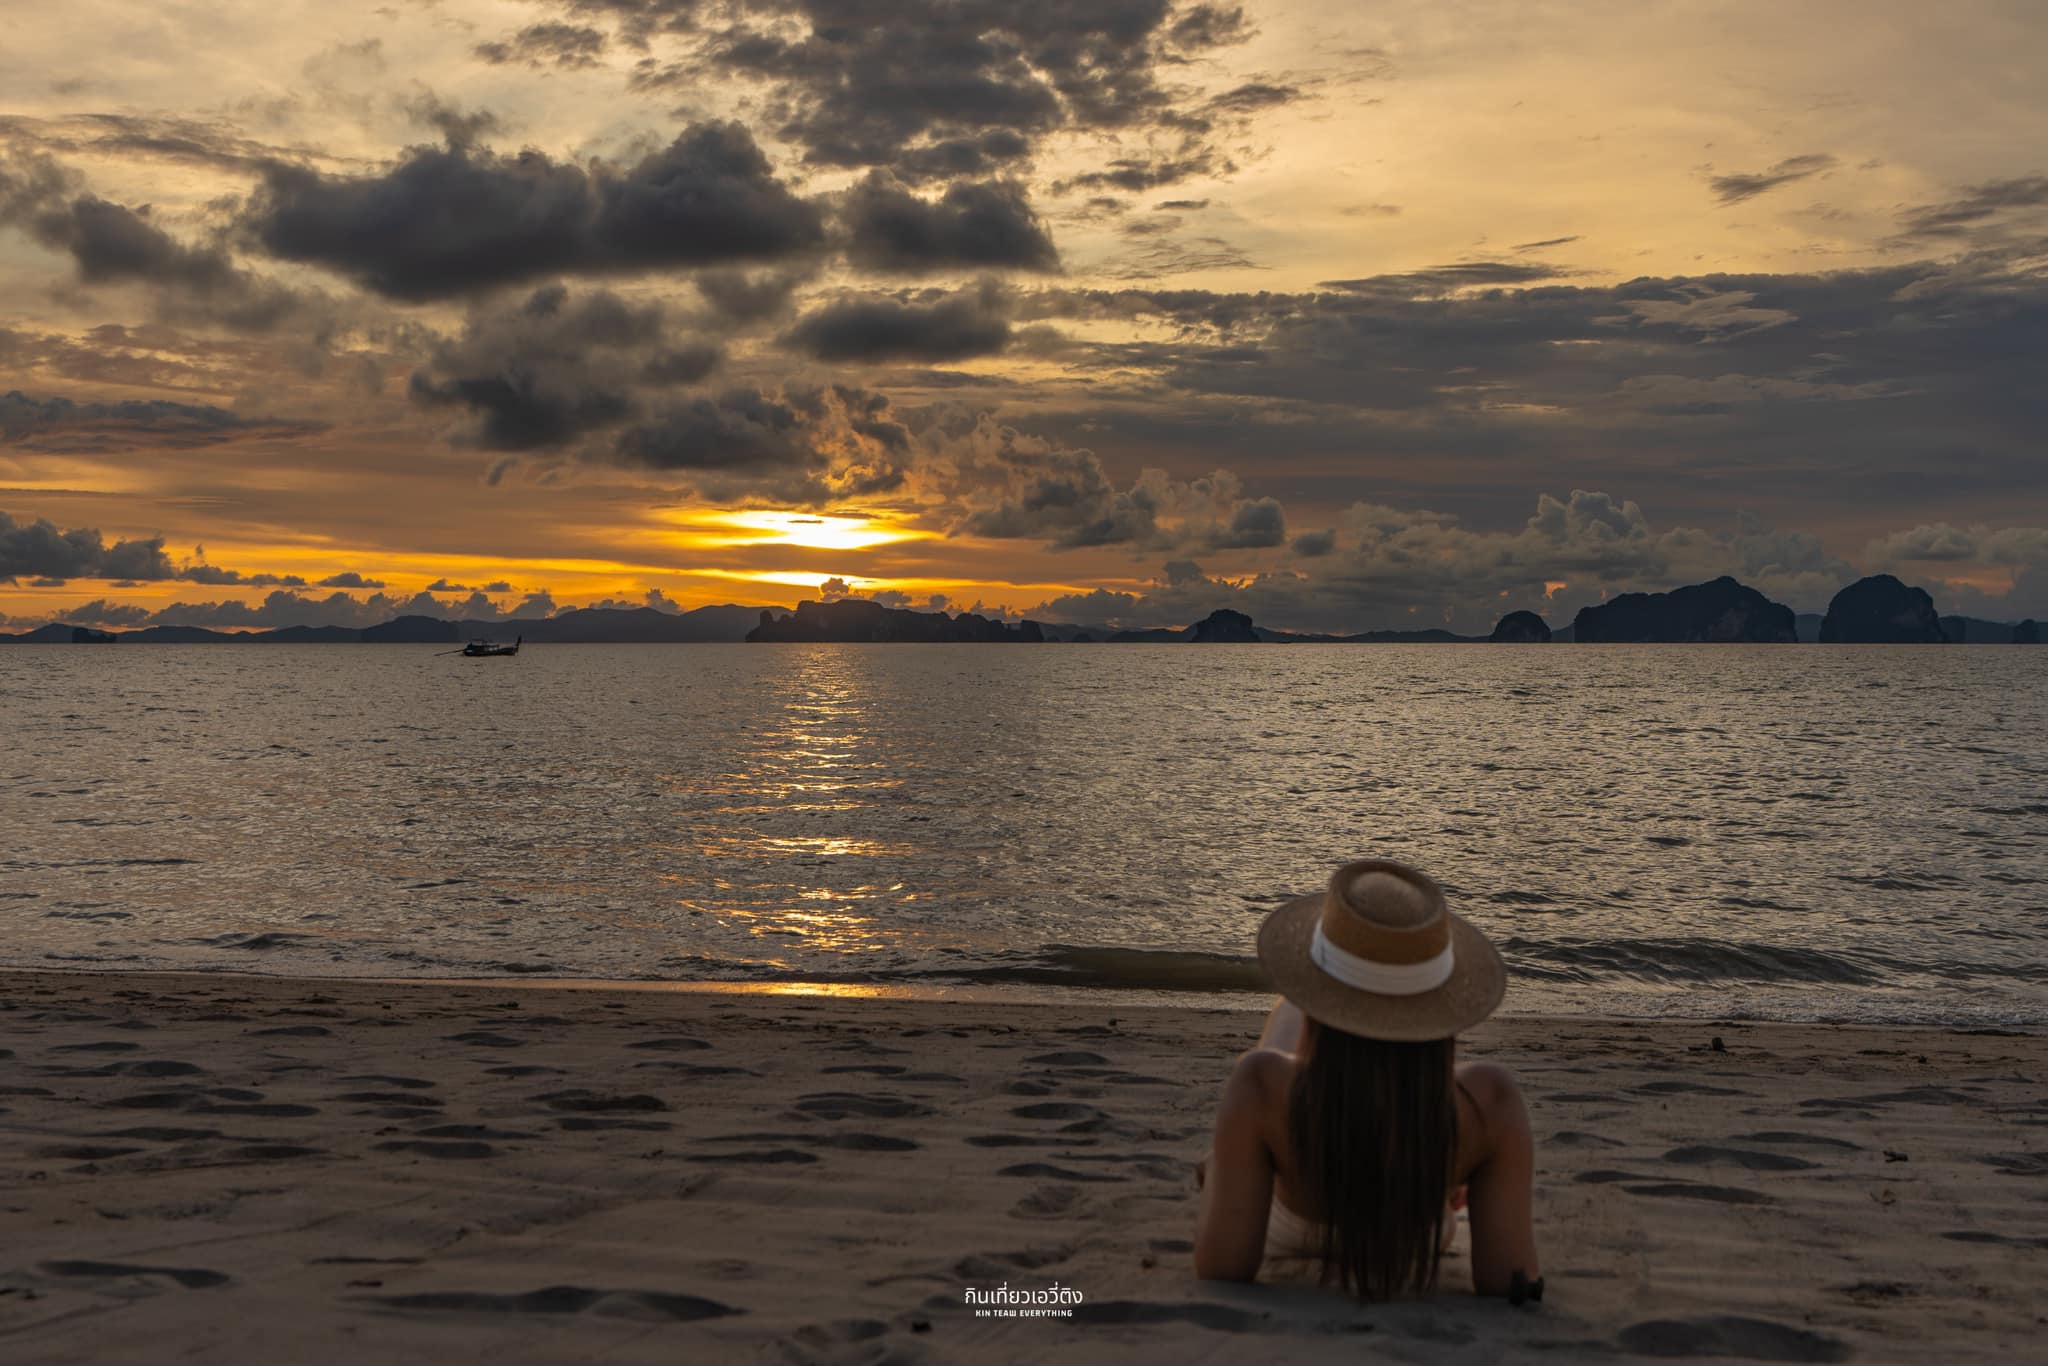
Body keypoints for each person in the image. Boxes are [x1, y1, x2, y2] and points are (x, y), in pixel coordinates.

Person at [1194, 858, 1539, 1300]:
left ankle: (1223, 1160)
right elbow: (1509, 1277)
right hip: (1415, 1238)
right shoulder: (1491, 1101)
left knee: (1288, 1015)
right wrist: (1457, 1164)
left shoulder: (1260, 1084)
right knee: (1416, 1072)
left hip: (1292, 1230)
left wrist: (1224, 1167)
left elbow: (1222, 1268)